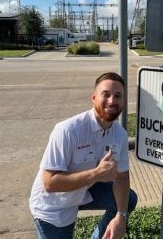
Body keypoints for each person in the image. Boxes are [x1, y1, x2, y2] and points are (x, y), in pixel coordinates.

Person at [29, 72, 138, 239]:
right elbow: (50, 183)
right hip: (53, 206)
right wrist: (96, 173)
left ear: (123, 101)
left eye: (118, 96)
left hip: (84, 191)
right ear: (93, 98)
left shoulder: (120, 135)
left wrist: (121, 216)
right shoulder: (68, 130)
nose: (112, 101)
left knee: (128, 198)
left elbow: (121, 178)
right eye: (106, 94)